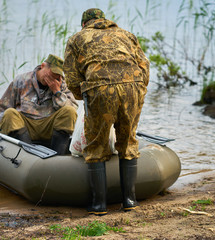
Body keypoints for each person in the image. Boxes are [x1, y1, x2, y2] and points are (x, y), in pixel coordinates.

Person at [63, 8, 150, 215]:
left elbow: (72, 78)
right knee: (128, 141)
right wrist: (139, 88)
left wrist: (83, 95)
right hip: (133, 86)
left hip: (100, 89)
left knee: (96, 145)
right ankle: (130, 200)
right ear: (103, 20)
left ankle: (99, 205)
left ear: (84, 24)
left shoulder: (77, 39)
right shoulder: (126, 34)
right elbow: (144, 65)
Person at [0, 54, 78, 155]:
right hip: (26, 126)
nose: (54, 78)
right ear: (43, 66)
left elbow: (72, 110)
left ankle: (58, 157)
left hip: (48, 127)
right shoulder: (21, 80)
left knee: (69, 111)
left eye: (57, 75)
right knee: (10, 113)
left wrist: (57, 92)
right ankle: (28, 155)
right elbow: (3, 108)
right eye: (52, 73)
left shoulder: (61, 85)